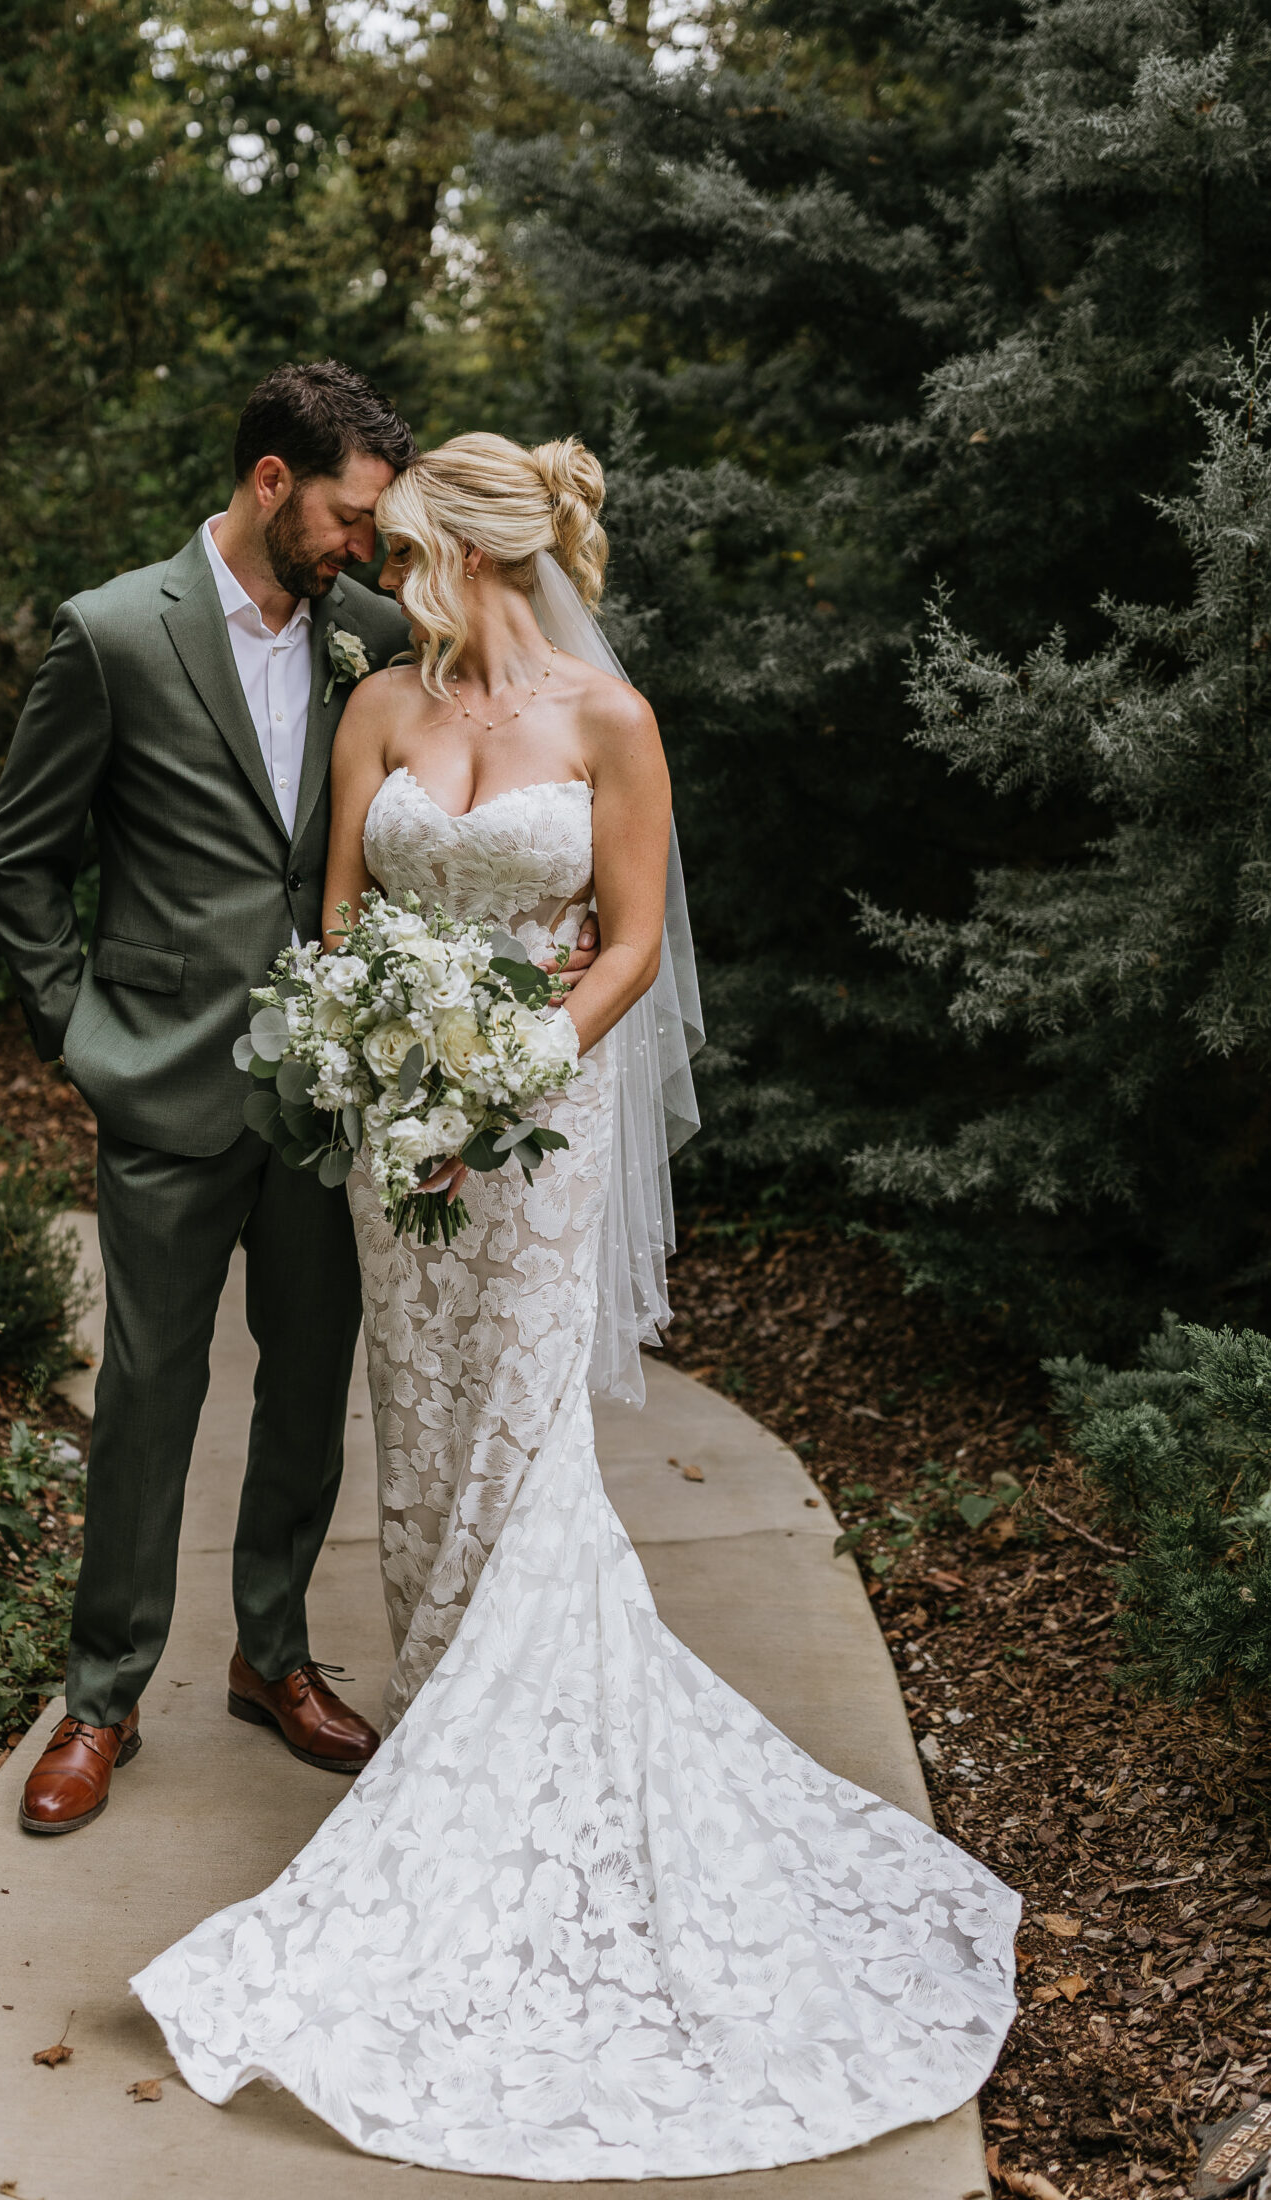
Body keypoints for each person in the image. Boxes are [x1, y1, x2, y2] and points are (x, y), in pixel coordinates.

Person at [131, 431, 1020, 2179]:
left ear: (472, 554)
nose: (381, 573)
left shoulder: (610, 725)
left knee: (524, 1442)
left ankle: (503, 1770)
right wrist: (371, 1079)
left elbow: (622, 942)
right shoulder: (379, 709)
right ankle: (447, 1716)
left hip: (537, 1129)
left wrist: (507, 1073)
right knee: (429, 1426)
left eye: (404, 550)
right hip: (402, 1134)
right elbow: (335, 930)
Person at [0, 362, 417, 1834]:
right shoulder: (113, 634)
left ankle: (273, 1654)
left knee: (306, 1393)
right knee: (150, 1400)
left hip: (324, 1097)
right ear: (273, 482)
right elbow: (21, 863)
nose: (367, 546)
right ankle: (101, 1700)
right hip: (164, 1089)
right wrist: (81, 1036)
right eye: (352, 516)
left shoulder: (373, 635)